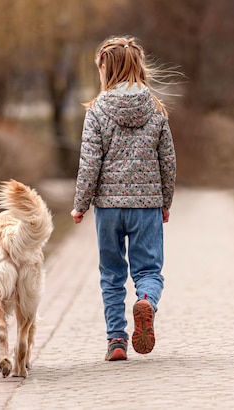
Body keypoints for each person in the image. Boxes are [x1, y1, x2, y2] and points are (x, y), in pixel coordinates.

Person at [70, 35, 176, 361]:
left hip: (108, 209)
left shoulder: (97, 111)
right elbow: (168, 161)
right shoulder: (156, 109)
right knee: (148, 270)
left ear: (107, 69)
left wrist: (80, 203)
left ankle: (116, 340)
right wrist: (166, 202)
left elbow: (90, 162)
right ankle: (145, 299)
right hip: (147, 206)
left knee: (111, 274)